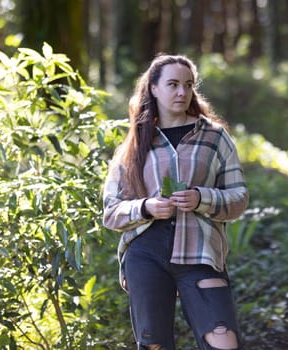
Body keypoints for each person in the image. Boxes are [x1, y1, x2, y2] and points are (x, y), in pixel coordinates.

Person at [103, 54, 249, 350]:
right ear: (154, 89)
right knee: (154, 345)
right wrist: (146, 207)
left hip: (201, 252)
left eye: (188, 84)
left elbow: (239, 198)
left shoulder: (215, 137)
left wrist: (201, 198)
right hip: (145, 255)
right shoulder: (134, 143)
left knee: (224, 342)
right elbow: (110, 212)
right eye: (172, 84)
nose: (182, 92)